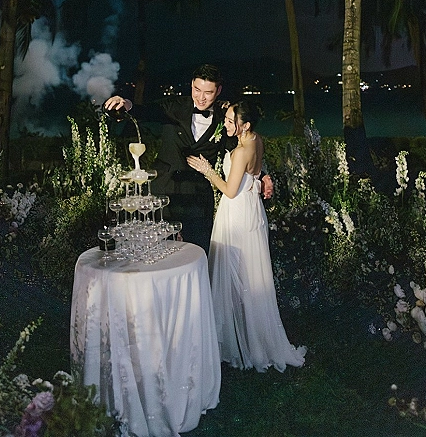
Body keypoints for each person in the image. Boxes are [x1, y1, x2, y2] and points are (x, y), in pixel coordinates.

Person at [187, 101, 306, 372]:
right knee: (251, 275)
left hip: (237, 213)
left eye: (230, 121)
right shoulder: (257, 140)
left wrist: (207, 171)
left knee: (233, 274)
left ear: (246, 125)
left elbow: (229, 191)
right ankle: (250, 335)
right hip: (253, 211)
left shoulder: (241, 151)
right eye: (227, 119)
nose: (226, 125)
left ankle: (232, 340)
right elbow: (253, 175)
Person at [104, 64, 273, 253]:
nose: (201, 98)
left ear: (218, 90)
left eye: (208, 92)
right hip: (163, 192)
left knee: (198, 254)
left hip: (198, 198)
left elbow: (237, 151)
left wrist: (260, 175)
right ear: (191, 85)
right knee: (157, 253)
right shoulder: (174, 107)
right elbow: (145, 111)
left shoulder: (224, 117)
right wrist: (126, 104)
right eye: (196, 89)